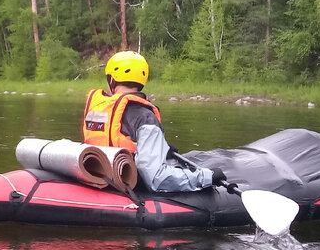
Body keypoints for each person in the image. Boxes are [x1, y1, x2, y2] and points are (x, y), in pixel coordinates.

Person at [81, 51, 226, 193]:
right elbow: (157, 178)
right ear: (141, 83)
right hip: (127, 184)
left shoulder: (99, 108)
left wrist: (162, 147)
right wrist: (207, 177)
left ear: (111, 80)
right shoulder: (145, 117)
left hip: (99, 176)